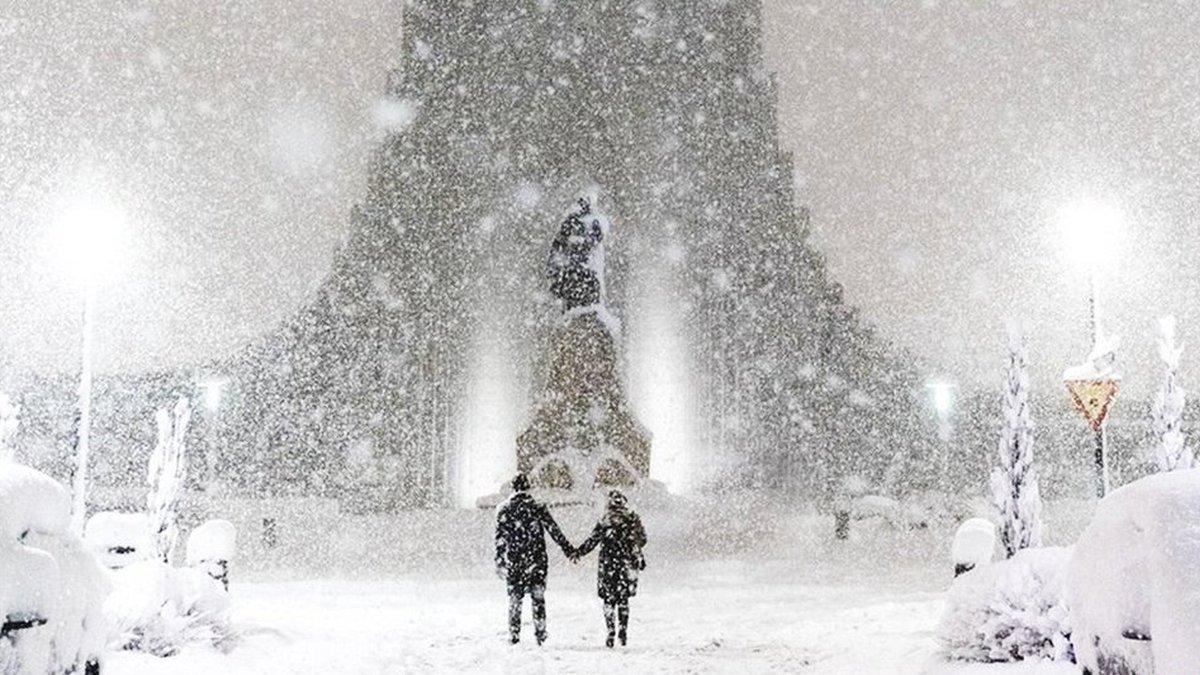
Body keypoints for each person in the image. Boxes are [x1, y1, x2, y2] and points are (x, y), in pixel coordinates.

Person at [495, 473, 574, 645]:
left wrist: (500, 560)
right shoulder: (538, 507)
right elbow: (554, 531)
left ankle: (514, 634)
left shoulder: (505, 509)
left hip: (515, 560)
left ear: (513, 488)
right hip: (537, 560)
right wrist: (568, 549)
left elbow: (500, 539)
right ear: (528, 487)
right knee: (538, 597)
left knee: (515, 598)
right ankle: (540, 633)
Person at [571, 489, 647, 648]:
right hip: (625, 564)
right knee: (623, 599)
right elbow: (643, 539)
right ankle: (623, 630)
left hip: (607, 565)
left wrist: (578, 552)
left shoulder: (605, 520)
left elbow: (592, 541)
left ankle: (611, 630)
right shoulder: (632, 518)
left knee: (609, 600)